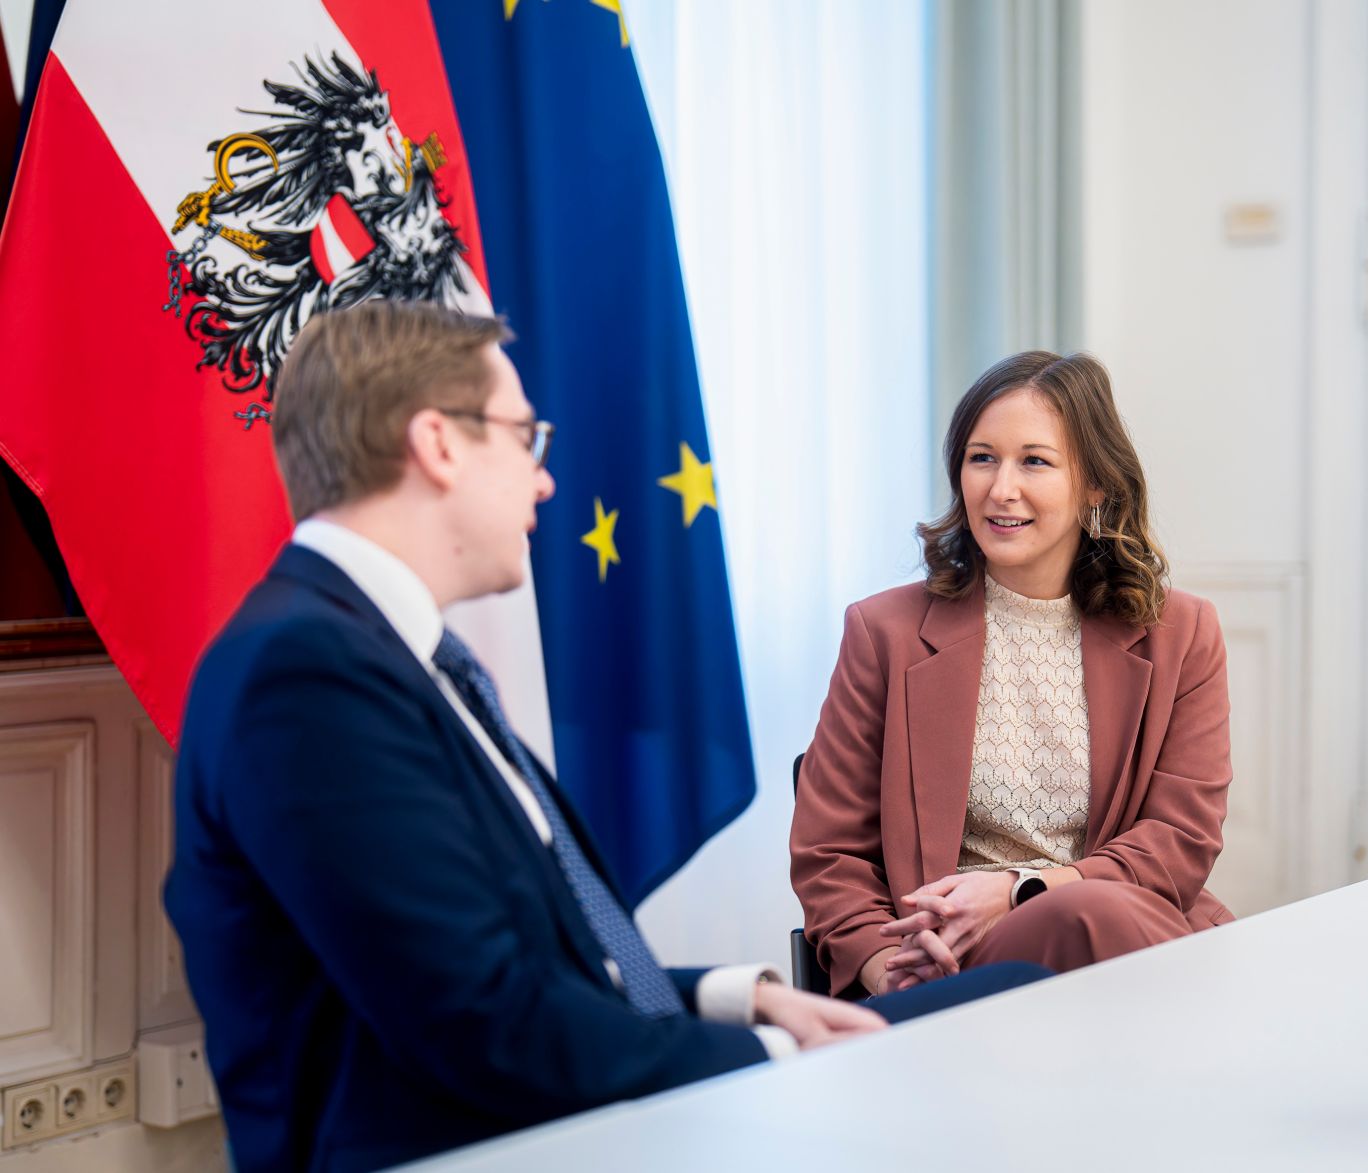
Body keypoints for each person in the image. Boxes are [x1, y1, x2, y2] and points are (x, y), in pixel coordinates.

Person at [164, 301, 1044, 1173]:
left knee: (1017, 999)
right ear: (437, 445)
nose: (545, 479)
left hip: (552, 1099)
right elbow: (483, 1023)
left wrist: (747, 998)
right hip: (485, 1140)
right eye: (524, 438)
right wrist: (777, 1061)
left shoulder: (381, 651)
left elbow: (527, 964)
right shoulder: (307, 675)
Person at [791, 350, 1234, 998]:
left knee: (1090, 912)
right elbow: (828, 850)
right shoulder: (883, 633)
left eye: (1034, 460)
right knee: (1106, 926)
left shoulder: (1183, 635)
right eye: (982, 458)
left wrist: (1023, 892)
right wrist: (889, 970)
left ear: (1096, 485)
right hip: (960, 966)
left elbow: (1180, 840)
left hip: (1122, 936)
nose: (1001, 488)